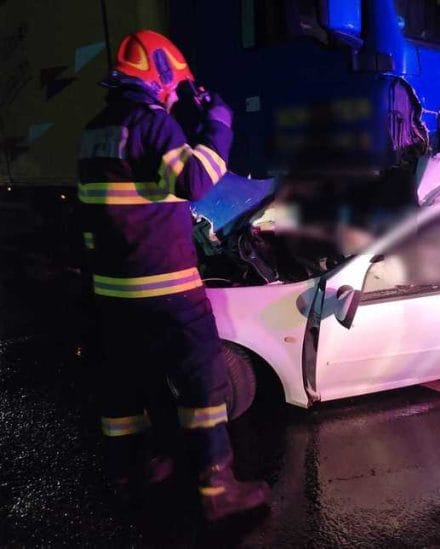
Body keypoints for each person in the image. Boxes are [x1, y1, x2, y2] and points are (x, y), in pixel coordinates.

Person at [77, 30, 270, 520]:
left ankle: (130, 472)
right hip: (166, 287)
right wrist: (218, 124)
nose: (172, 93)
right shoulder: (153, 123)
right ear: (158, 75)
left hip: (112, 290)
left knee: (125, 386)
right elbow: (194, 181)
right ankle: (217, 488)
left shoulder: (95, 129)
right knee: (202, 382)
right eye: (172, 84)